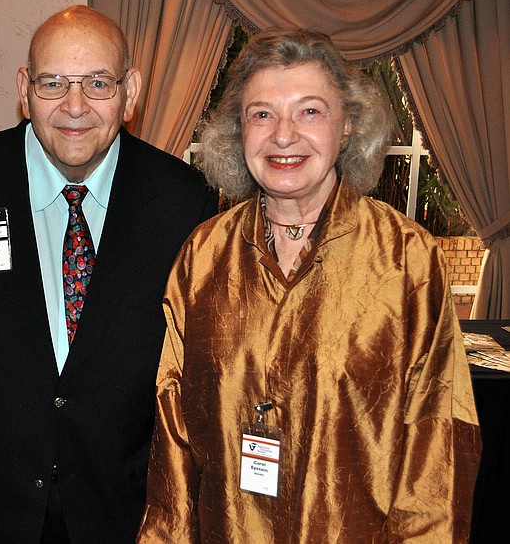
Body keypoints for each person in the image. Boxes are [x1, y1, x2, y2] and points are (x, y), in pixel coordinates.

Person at [136, 28, 481, 543]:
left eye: (310, 111)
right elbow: (174, 441)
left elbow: (438, 451)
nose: (283, 135)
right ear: (239, 132)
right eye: (262, 114)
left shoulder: (408, 260)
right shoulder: (203, 257)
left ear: (347, 127)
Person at [0, 5, 218, 543]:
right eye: (53, 83)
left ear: (132, 91)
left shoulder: (183, 201)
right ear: (24, 89)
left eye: (98, 83)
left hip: (124, 514)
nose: (74, 107)